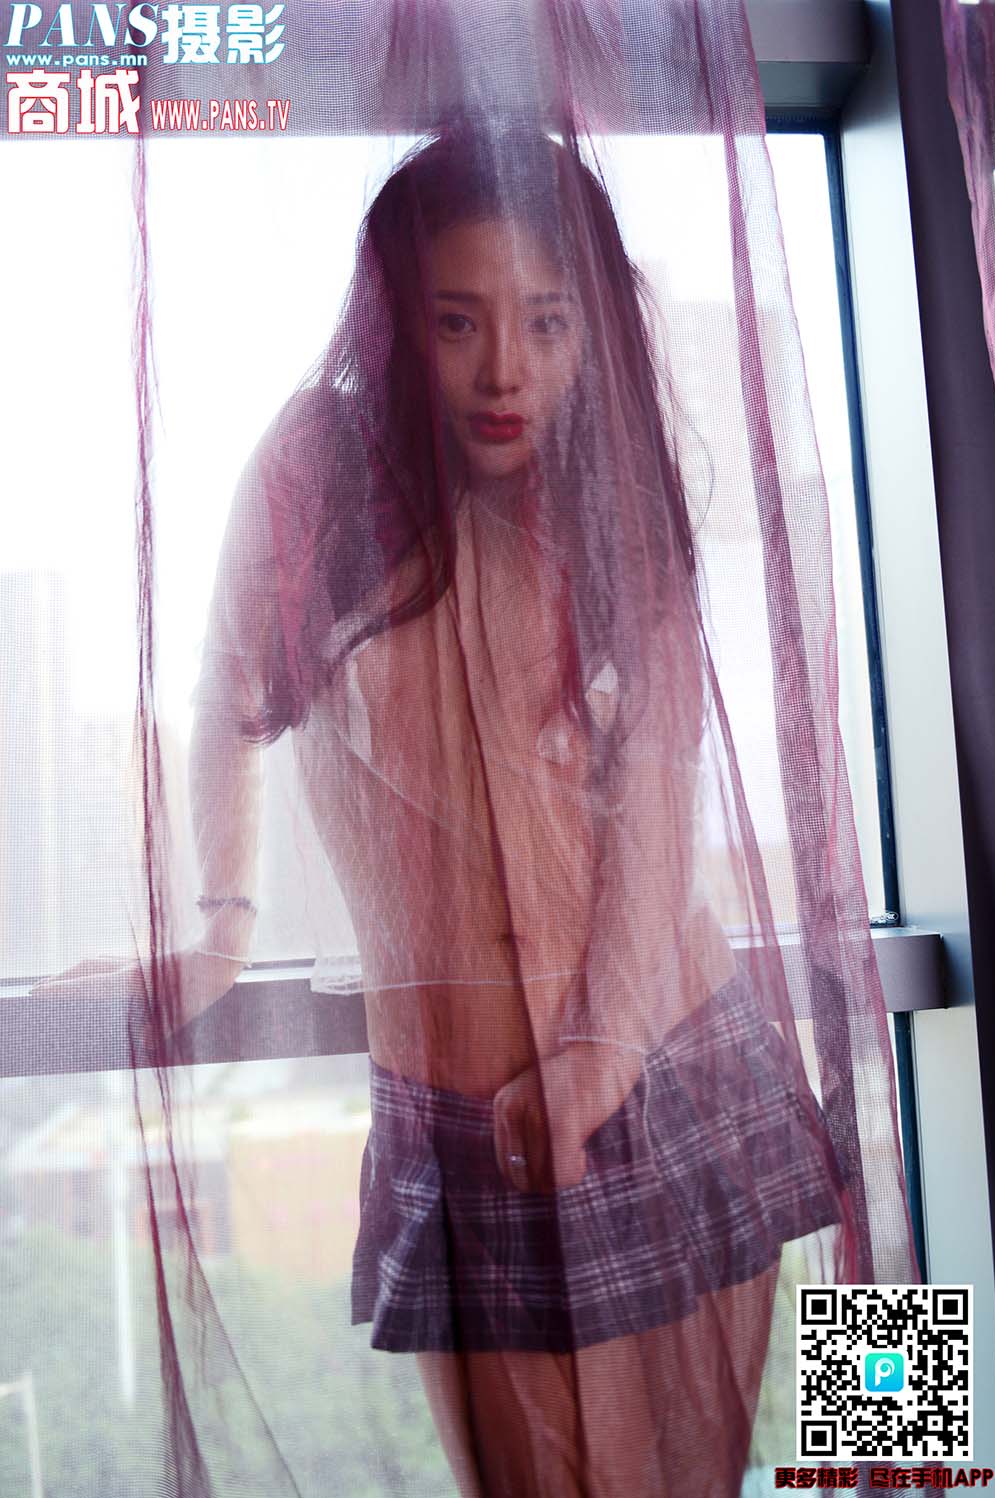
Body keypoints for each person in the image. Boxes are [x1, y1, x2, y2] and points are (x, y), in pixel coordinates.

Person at [34, 123, 846, 1496]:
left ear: (594, 328)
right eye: (459, 320)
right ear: (397, 319)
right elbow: (224, 698)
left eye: (547, 322)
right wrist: (219, 932)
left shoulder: (617, 482)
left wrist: (601, 1050)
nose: (506, 370)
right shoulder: (317, 466)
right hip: (475, 1122)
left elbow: (661, 793)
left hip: (681, 1052)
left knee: (751, 1470)